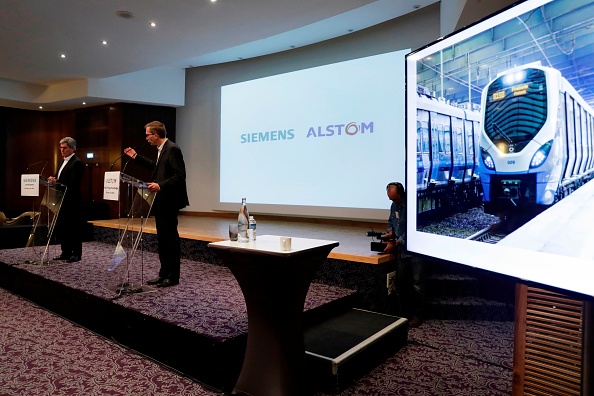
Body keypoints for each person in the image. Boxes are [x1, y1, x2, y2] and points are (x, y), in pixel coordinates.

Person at [123, 121, 189, 288]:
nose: (146, 139)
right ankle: (163, 274)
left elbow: (179, 175)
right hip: (161, 201)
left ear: (156, 135)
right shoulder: (162, 150)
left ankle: (172, 277)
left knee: (170, 239)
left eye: (147, 135)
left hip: (169, 200)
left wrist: (161, 185)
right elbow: (156, 166)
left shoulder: (172, 148)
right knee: (162, 239)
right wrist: (136, 157)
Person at [383, 181, 425, 327]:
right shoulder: (394, 205)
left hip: (414, 252)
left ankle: (418, 315)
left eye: (394, 199)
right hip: (401, 252)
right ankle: (404, 313)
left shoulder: (411, 205)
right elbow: (391, 221)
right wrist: (390, 233)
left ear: (401, 194)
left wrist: (397, 242)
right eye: (390, 199)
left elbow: (413, 228)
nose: (393, 202)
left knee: (417, 284)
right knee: (401, 283)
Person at [48, 137, 85, 262]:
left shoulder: (77, 163)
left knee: (73, 227)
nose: (62, 150)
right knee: (63, 227)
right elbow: (61, 179)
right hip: (61, 199)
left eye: (65, 148)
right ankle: (65, 252)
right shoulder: (62, 161)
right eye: (61, 148)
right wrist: (53, 181)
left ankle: (76, 253)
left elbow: (73, 183)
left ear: (73, 149)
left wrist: (57, 182)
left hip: (72, 200)